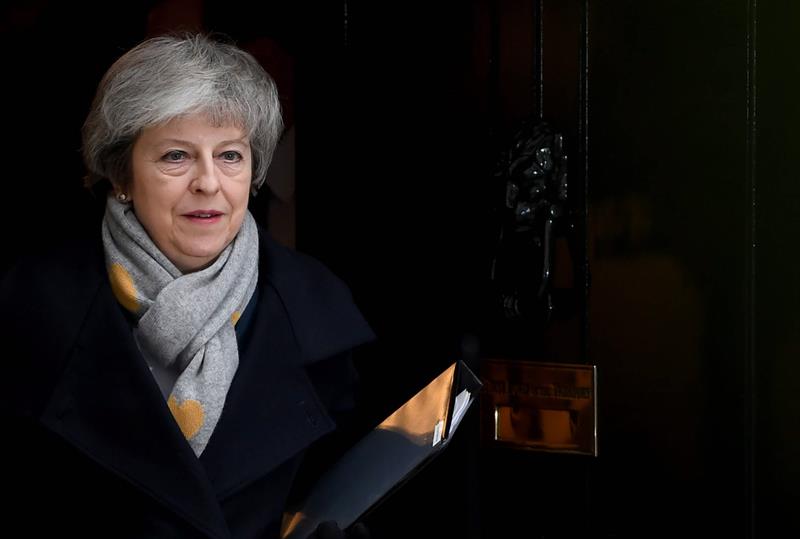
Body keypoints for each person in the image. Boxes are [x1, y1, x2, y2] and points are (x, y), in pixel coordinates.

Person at [0, 33, 374, 539]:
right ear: (121, 173)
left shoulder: (320, 307)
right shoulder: (30, 305)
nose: (208, 182)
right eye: (176, 156)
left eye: (230, 156)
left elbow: (348, 492)